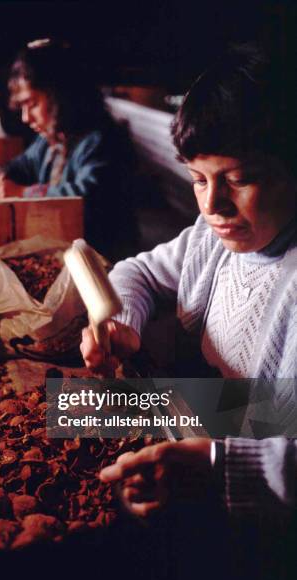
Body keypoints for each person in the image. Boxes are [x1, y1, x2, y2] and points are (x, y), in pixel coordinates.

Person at [80, 45, 297, 518]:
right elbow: (137, 272)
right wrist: (122, 321)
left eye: (238, 179)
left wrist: (218, 464)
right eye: (199, 179)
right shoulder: (213, 238)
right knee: (68, 410)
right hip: (213, 411)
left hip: (260, 472)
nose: (213, 206)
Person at [0, 38, 137, 261]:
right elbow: (24, 163)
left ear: (61, 96)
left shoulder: (103, 140)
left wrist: (22, 193)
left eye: (32, 104)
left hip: (102, 263)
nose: (26, 117)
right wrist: (4, 175)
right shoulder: (53, 138)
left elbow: (88, 196)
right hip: (68, 252)